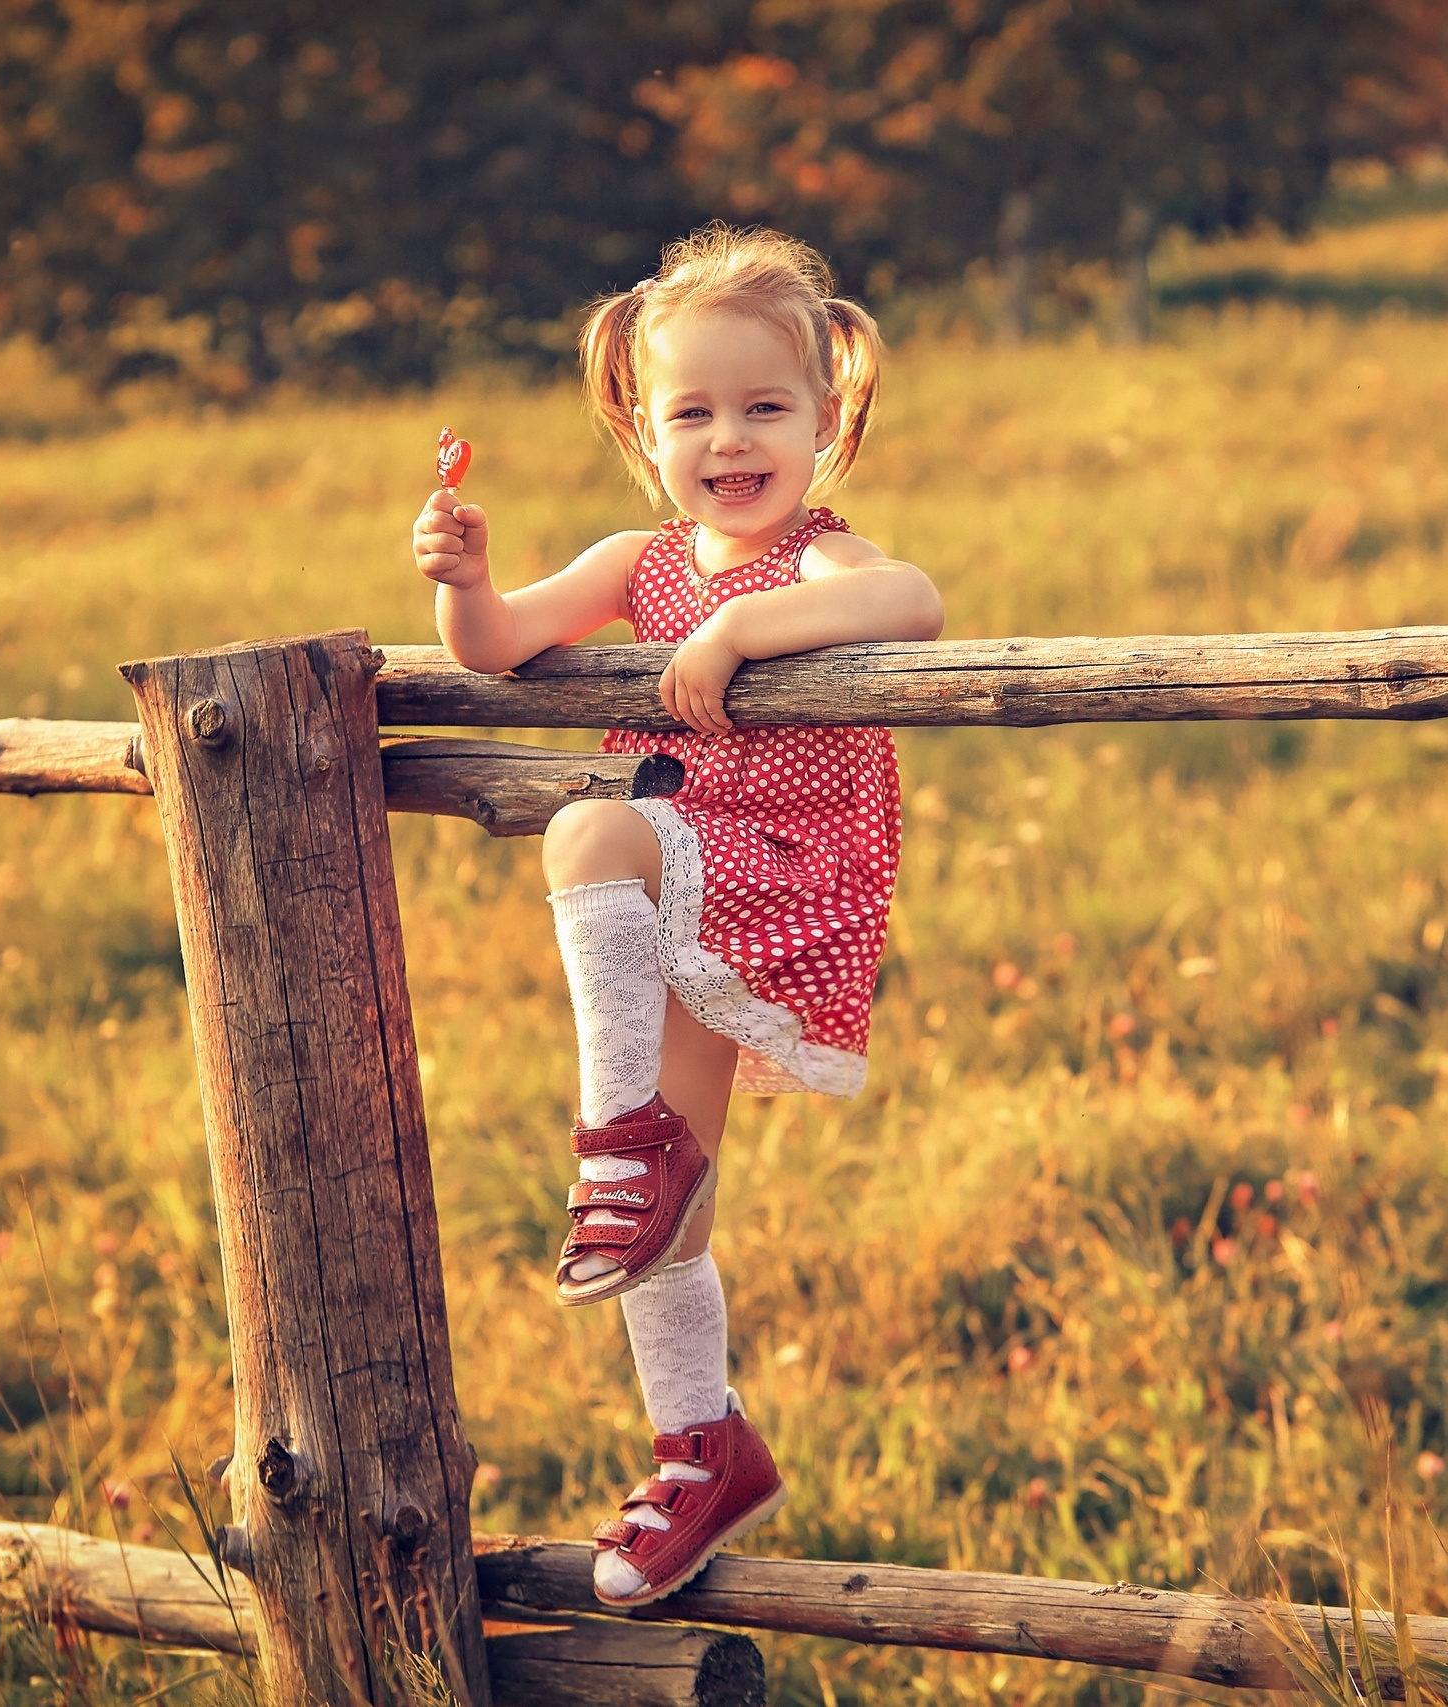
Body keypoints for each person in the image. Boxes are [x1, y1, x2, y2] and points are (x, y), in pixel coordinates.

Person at [410, 226, 942, 1606]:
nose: (730, 440)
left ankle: (616, 1145)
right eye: (692, 412)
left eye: (766, 407)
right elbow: (499, 644)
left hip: (777, 873)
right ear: (642, 431)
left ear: (825, 419)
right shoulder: (636, 558)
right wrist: (465, 579)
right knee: (672, 1214)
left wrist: (735, 634)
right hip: (674, 888)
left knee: (587, 827)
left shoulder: (819, 555)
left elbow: (915, 602)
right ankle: (705, 1446)